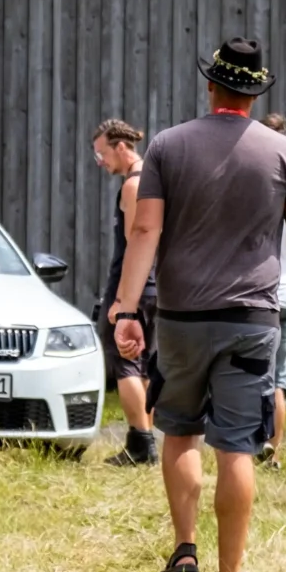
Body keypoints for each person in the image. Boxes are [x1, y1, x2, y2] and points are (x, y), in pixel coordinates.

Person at [111, 37, 286, 572]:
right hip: (252, 319)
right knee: (237, 445)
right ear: (255, 92)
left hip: (181, 316)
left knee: (180, 433)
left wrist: (126, 309)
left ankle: (185, 550)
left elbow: (144, 231)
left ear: (211, 85)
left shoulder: (167, 146)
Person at [90, 117, 160, 466]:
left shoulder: (134, 184)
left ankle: (141, 444)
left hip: (134, 288)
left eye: (101, 153)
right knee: (141, 362)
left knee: (125, 362)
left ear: (121, 147)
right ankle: (144, 440)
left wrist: (122, 300)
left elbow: (137, 243)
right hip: (150, 288)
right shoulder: (154, 177)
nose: (100, 161)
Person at [259, 111, 286, 467]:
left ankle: (248, 440)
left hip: (257, 293)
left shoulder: (256, 186)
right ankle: (274, 450)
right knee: (279, 380)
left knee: (250, 374)